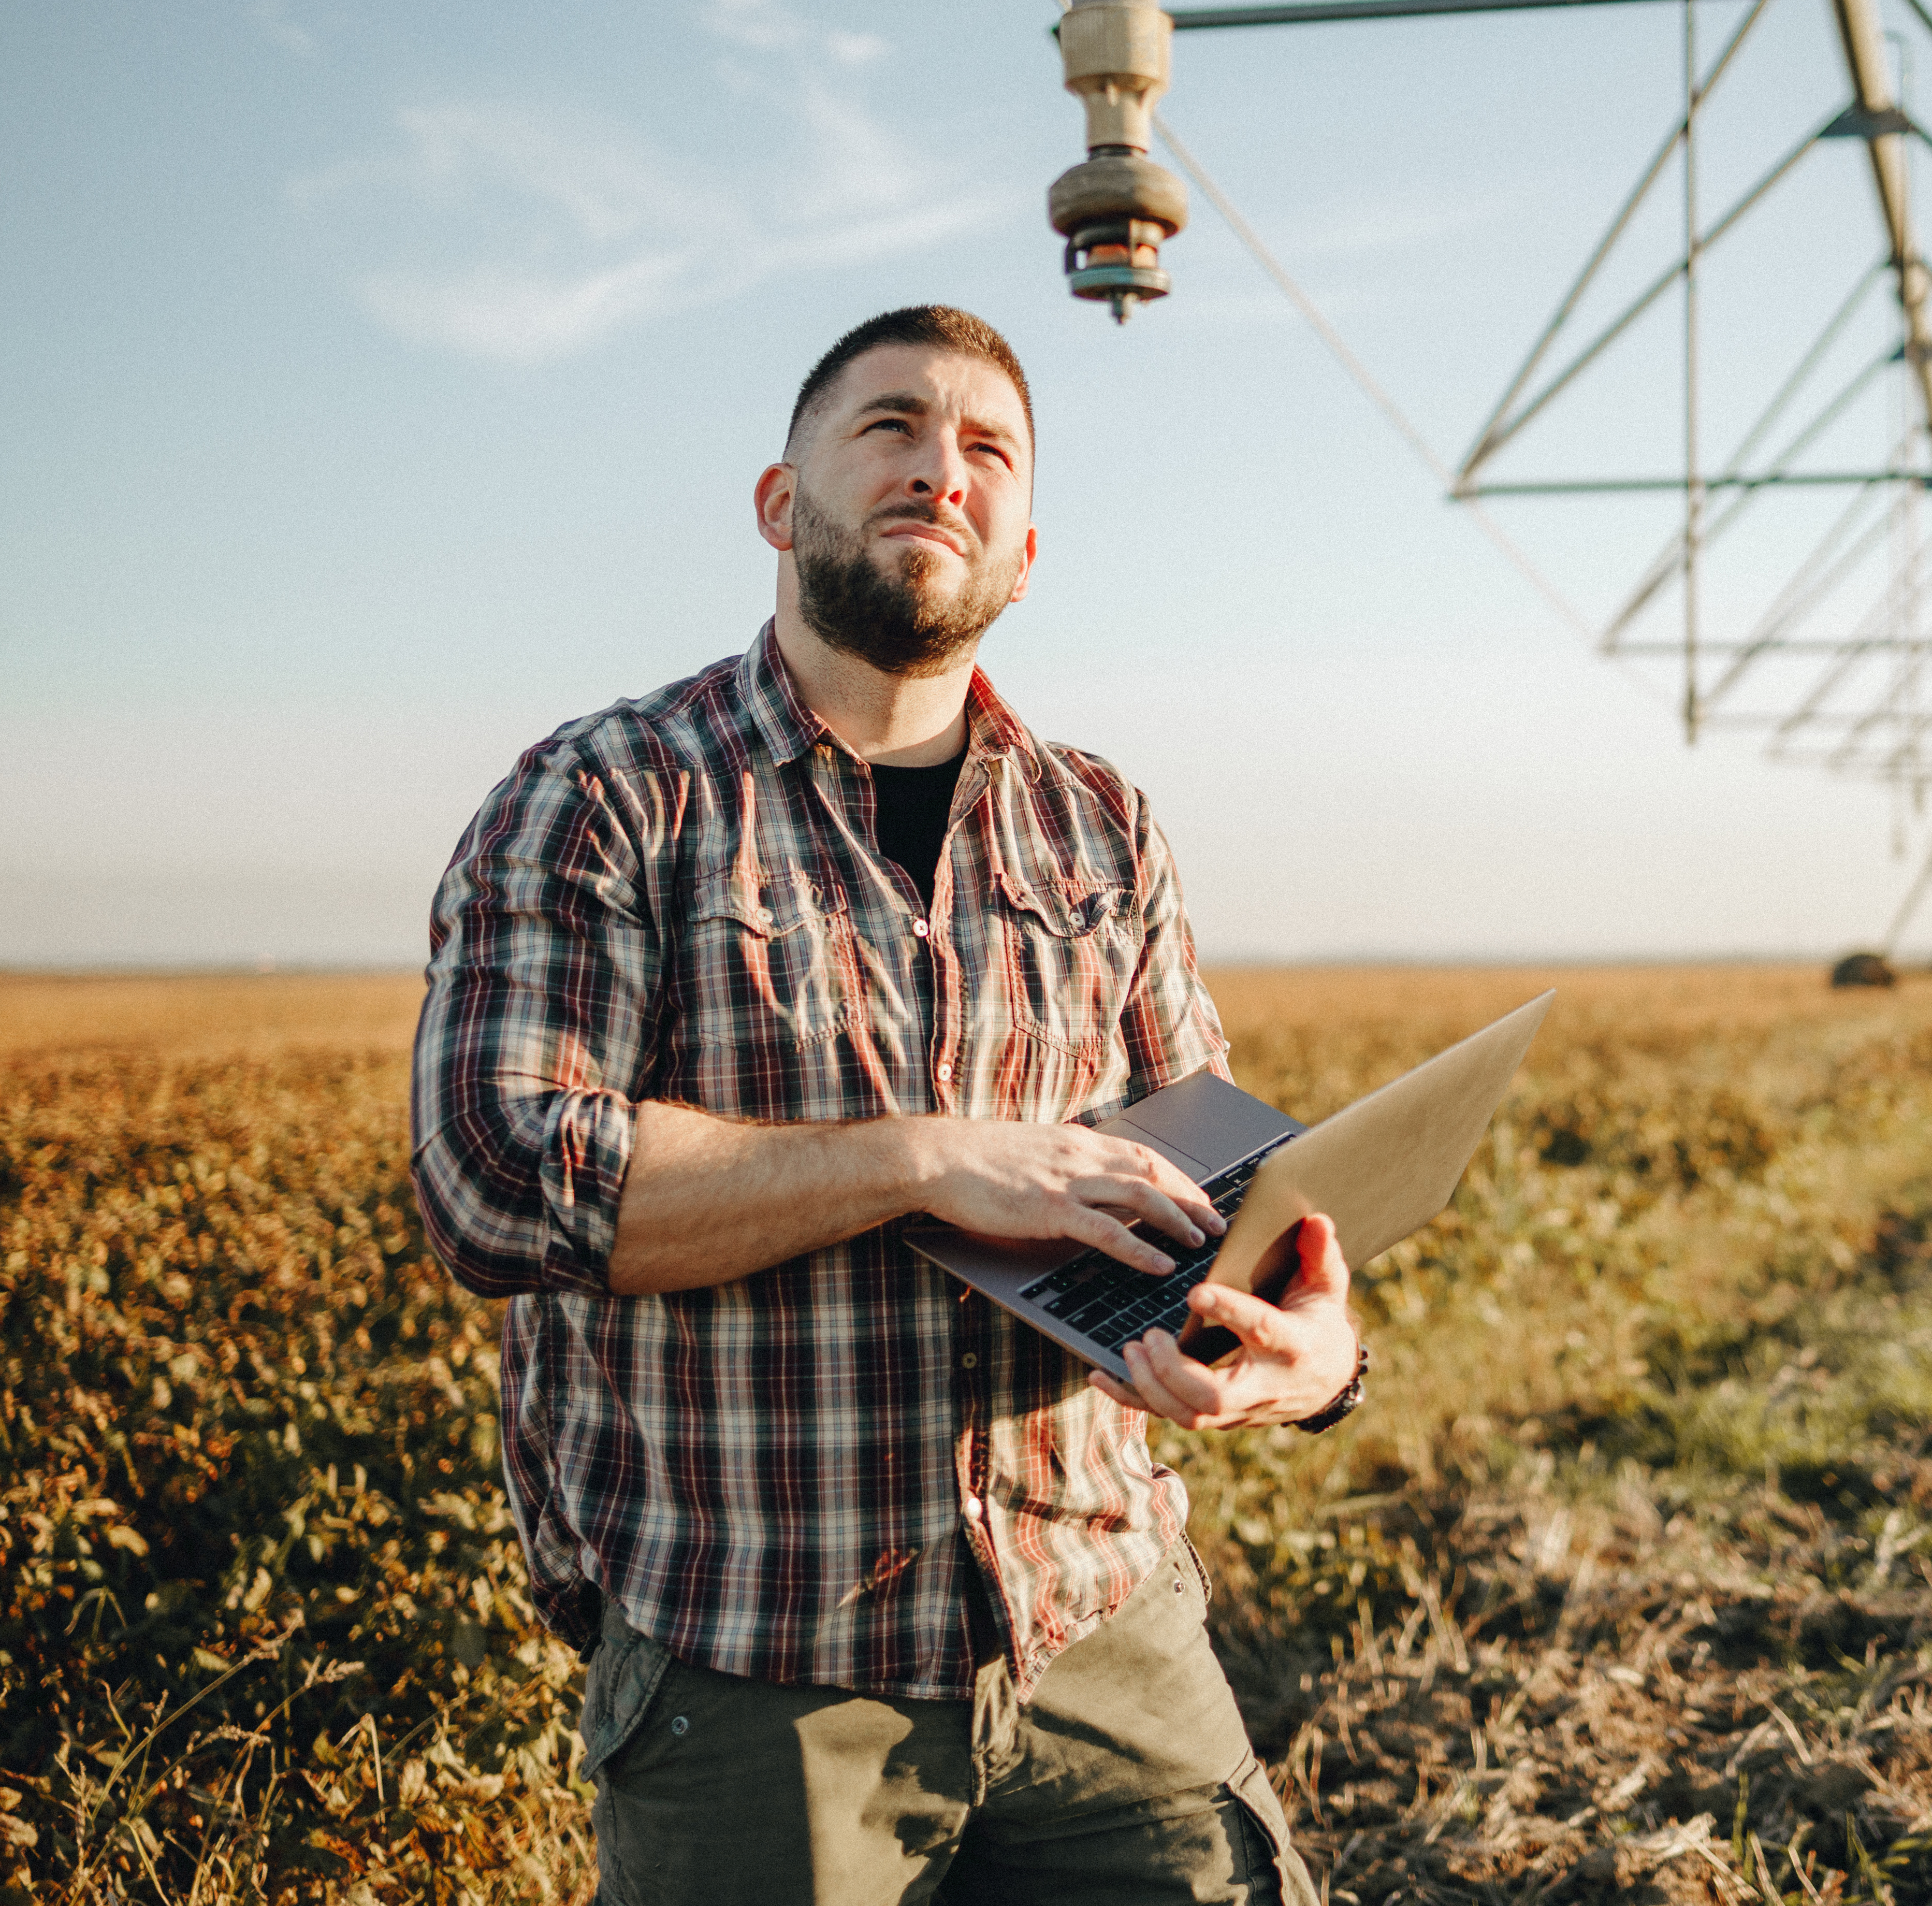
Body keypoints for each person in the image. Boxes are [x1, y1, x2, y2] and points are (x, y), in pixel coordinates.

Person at [409, 305, 1358, 1905]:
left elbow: (1216, 1182)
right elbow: (499, 1176)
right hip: (763, 1666)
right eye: (892, 428)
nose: (943, 470)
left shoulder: (1102, 822)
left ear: (1028, 550)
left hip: (1104, 1623)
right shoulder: (612, 792)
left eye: (987, 447)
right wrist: (927, 1161)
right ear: (781, 501)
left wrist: (1315, 1353)